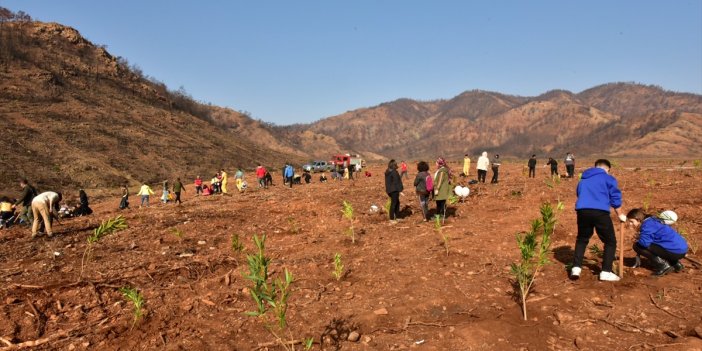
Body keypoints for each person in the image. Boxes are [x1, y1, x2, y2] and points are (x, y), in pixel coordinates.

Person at [570, 159, 627, 282]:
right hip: (600, 212)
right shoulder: (608, 178)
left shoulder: (583, 179)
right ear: (607, 169)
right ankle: (606, 272)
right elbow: (615, 197)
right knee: (610, 241)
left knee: (582, 239)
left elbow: (579, 193)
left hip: (582, 211)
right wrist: (620, 214)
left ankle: (576, 268)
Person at [627, 208, 687, 276]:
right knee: (660, 244)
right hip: (681, 249)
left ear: (638, 220)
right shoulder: (652, 220)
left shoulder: (647, 225)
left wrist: (638, 238)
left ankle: (663, 266)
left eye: (631, 221)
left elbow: (644, 243)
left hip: (675, 251)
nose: (630, 224)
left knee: (637, 246)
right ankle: (676, 264)